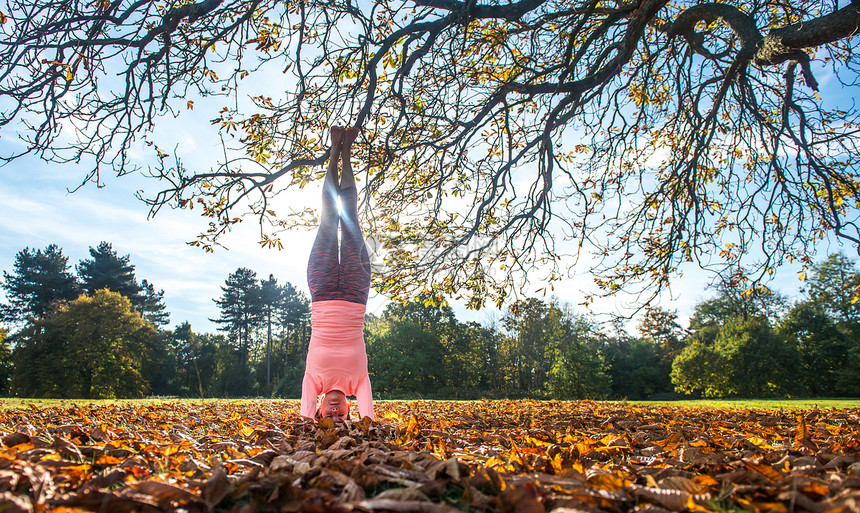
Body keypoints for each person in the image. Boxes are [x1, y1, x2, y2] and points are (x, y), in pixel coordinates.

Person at [301, 126, 374, 421]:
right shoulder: (358, 384)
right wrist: (366, 426)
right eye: (341, 417)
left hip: (321, 290)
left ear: (318, 408)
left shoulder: (313, 382)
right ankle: (347, 151)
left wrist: (307, 423)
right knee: (351, 217)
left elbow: (304, 420)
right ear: (349, 409)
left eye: (327, 417)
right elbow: (369, 420)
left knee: (329, 217)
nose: (334, 413)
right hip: (356, 294)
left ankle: (334, 153)